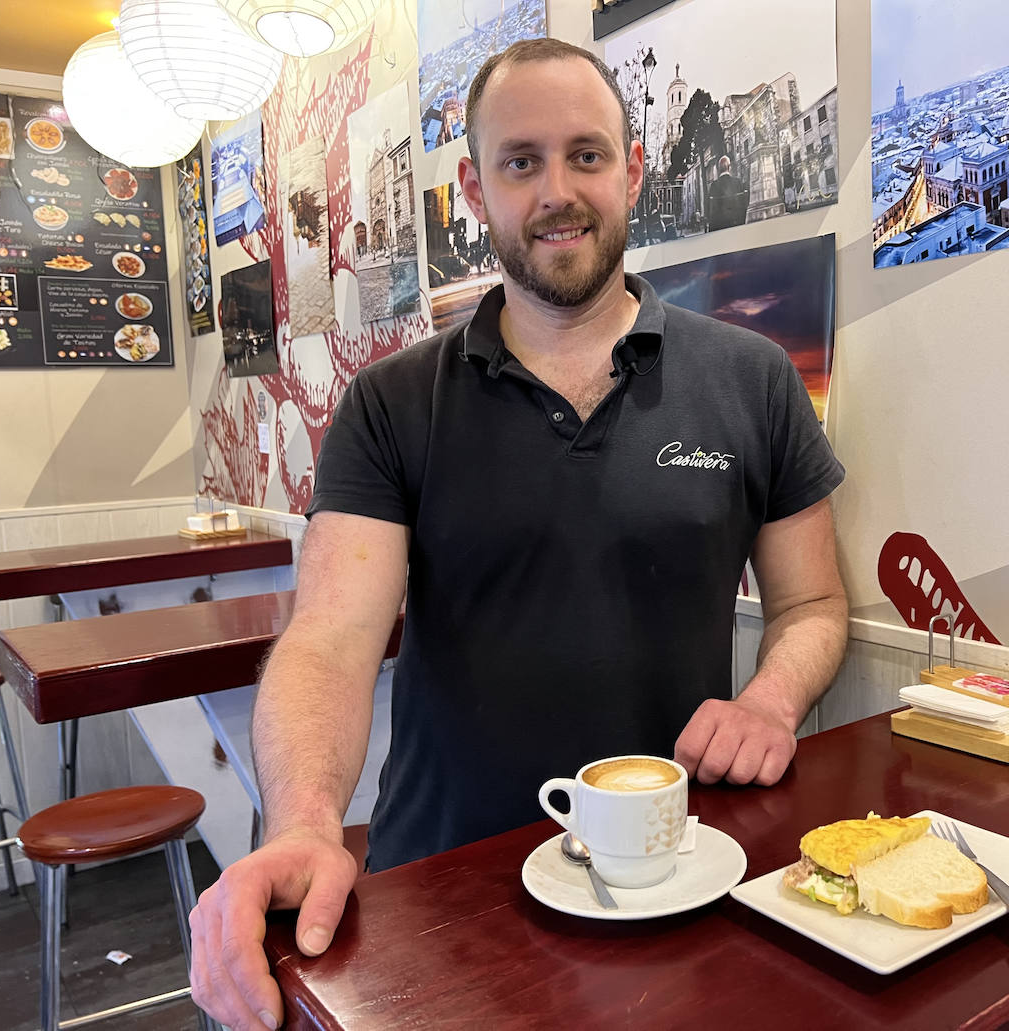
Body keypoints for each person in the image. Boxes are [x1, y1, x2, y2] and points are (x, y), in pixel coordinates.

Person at [189, 37, 846, 1031]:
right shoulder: (392, 403)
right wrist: (307, 822)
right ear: (475, 187)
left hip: (674, 874)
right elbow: (330, 636)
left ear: (632, 168)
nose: (557, 190)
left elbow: (814, 604)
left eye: (586, 154)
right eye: (521, 160)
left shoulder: (755, 378)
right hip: (444, 893)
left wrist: (772, 695)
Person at [706, 155, 750, 231]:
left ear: (719, 169)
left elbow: (710, 210)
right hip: (736, 225)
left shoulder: (714, 186)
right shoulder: (737, 182)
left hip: (719, 228)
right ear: (729, 168)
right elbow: (744, 205)